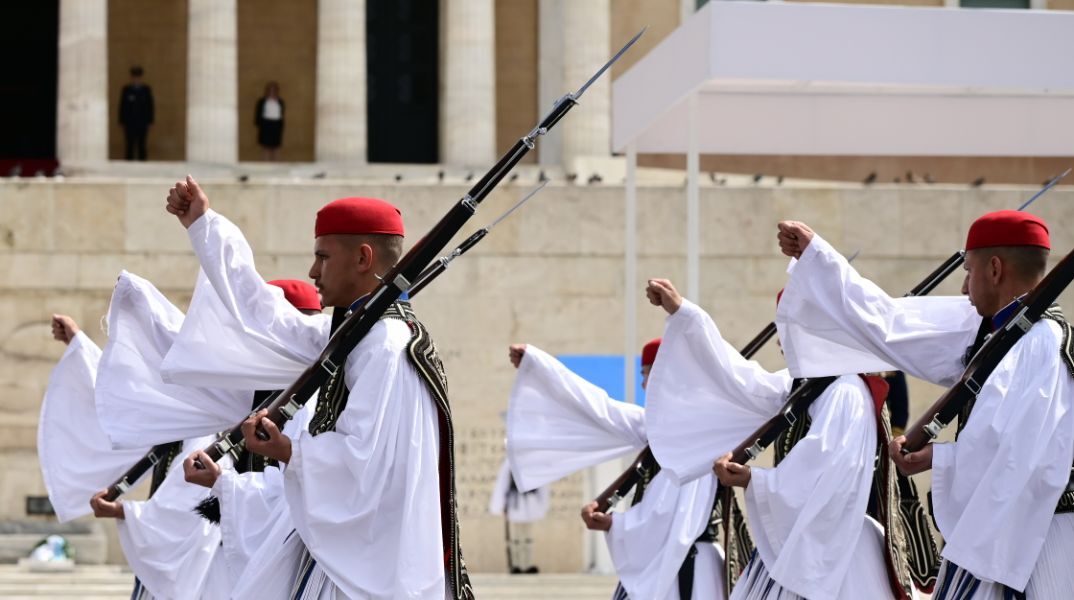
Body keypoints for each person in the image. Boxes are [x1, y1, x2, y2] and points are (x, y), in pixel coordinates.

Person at [165, 176, 473, 599]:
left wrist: (288, 450)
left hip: (366, 567)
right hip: (343, 554)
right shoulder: (358, 333)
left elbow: (367, 462)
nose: (312, 272)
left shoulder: (386, 344)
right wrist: (204, 226)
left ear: (363, 258)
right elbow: (266, 318)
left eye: (323, 257)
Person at [774, 211, 1074, 597]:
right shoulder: (1001, 332)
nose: (965, 288)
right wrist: (818, 255)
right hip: (1014, 531)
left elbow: (1011, 453)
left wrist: (940, 457)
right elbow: (891, 323)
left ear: (995, 269)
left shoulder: (1037, 343)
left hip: (1034, 538)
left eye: (969, 271)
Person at [643, 279, 935, 600]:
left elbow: (824, 469)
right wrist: (685, 314)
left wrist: (754, 480)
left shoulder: (845, 390)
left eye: (786, 327)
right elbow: (742, 380)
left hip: (835, 550)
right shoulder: (803, 386)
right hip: (800, 538)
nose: (780, 342)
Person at [506, 338, 736, 599]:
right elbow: (599, 408)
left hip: (690, 569)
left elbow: (676, 517)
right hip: (663, 561)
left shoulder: (699, 436)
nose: (643, 384)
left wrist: (614, 524)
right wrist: (539, 366)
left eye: (647, 374)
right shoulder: (659, 429)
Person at [119, 66, 154, 161]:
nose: (136, 79)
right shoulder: (126, 90)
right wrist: (121, 121)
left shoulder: (146, 90)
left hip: (142, 122)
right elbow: (122, 106)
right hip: (129, 122)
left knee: (142, 144)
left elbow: (150, 106)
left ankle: (143, 164)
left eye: (138, 76)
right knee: (129, 144)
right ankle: (128, 164)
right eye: (134, 76)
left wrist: (150, 121)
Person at [255, 82, 284, 161]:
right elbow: (258, 114)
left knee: (276, 147)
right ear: (267, 91)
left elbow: (281, 114)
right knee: (265, 147)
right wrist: (260, 125)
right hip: (266, 125)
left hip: (276, 125)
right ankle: (265, 166)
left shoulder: (280, 101)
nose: (272, 91)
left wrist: (280, 125)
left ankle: (277, 166)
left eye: (274, 90)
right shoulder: (262, 101)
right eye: (270, 90)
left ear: (277, 91)